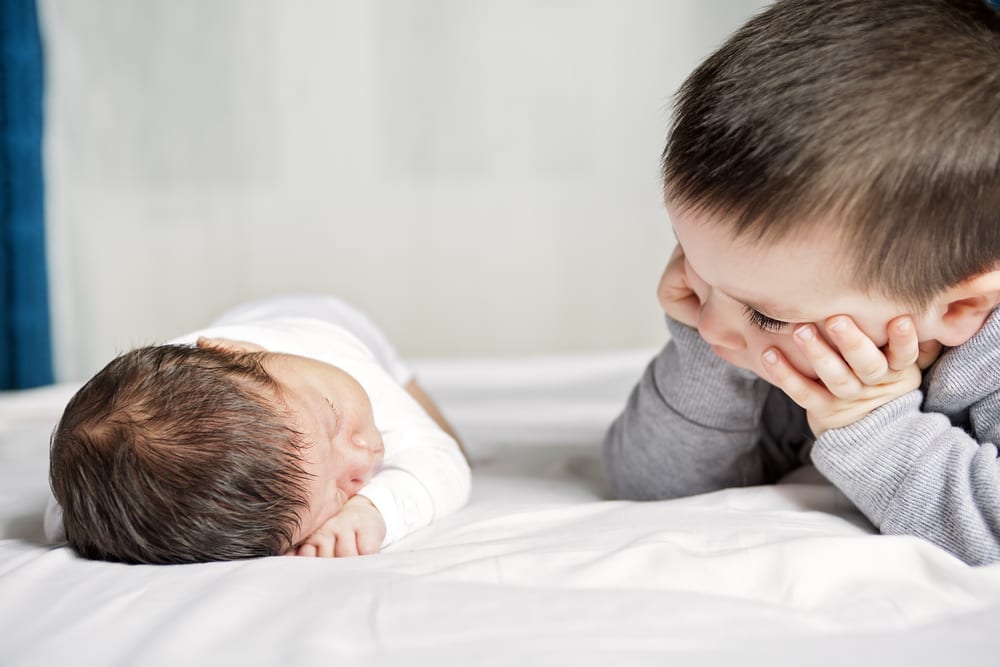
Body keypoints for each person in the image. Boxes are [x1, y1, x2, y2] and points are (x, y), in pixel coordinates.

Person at [603, 0, 1000, 565]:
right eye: (691, 261)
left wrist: (870, 426)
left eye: (766, 315)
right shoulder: (778, 308)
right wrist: (707, 354)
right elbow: (650, 485)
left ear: (960, 308)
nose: (710, 322)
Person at [47, 295, 471, 564]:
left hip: (325, 319)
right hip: (235, 362)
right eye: (340, 491)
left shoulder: (346, 370)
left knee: (442, 438)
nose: (364, 456)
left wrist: (374, 509)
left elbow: (440, 462)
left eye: (335, 420)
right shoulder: (107, 475)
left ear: (243, 352)